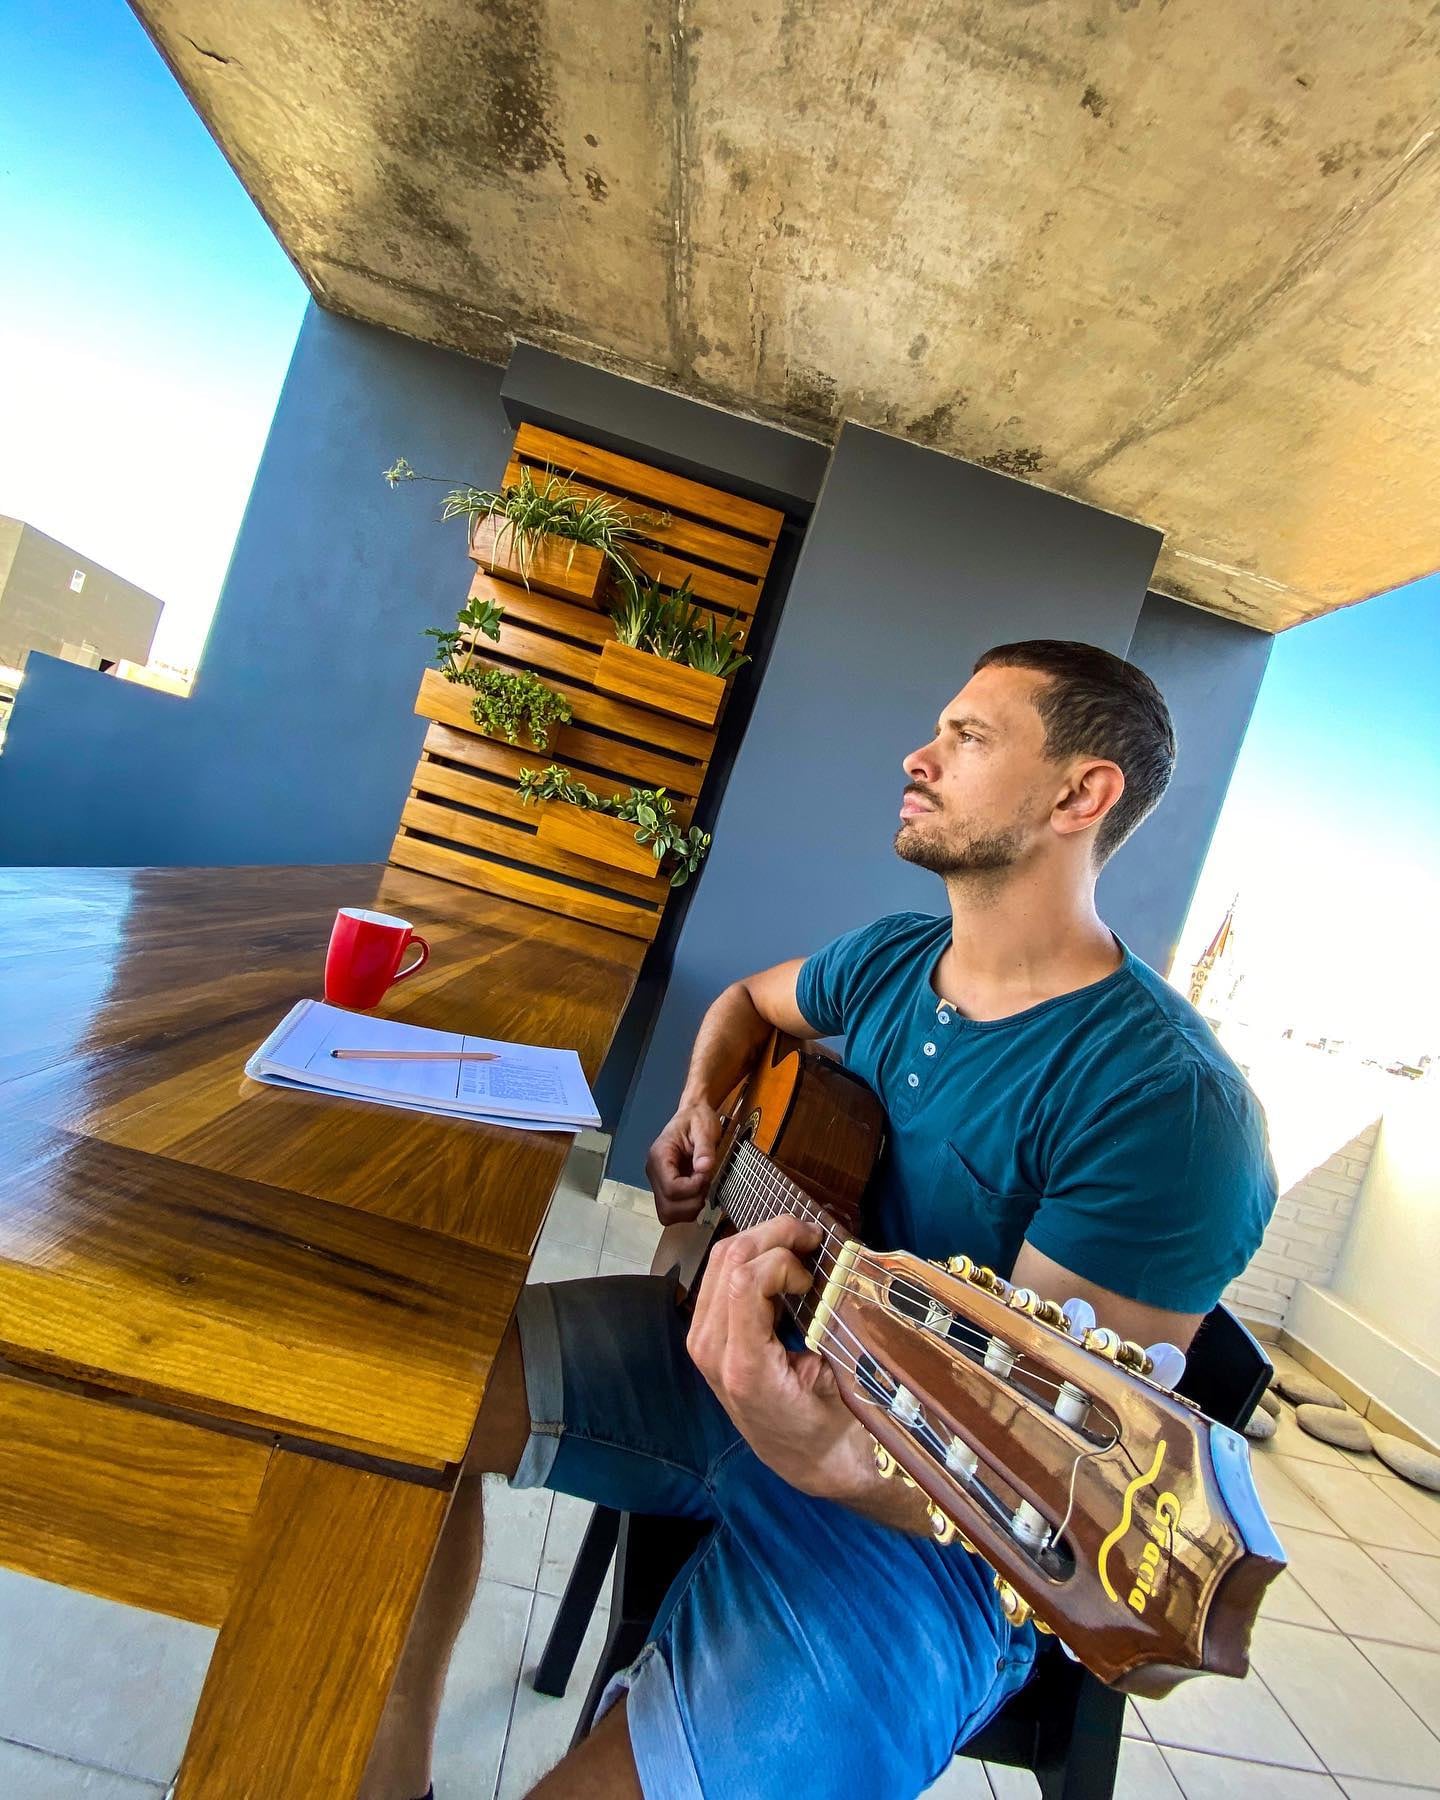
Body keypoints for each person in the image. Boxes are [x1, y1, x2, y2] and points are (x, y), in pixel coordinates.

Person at [361, 639, 1279, 1800]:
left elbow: (1044, 1485)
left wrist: (826, 1457)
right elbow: (747, 1002)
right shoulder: (896, 958)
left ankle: (679, 1709)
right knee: (396, 1393)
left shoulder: (1164, 1104)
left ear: (1079, 795)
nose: (919, 754)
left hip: (924, 1545)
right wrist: (704, 1110)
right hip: (712, 1364)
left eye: (968, 737)